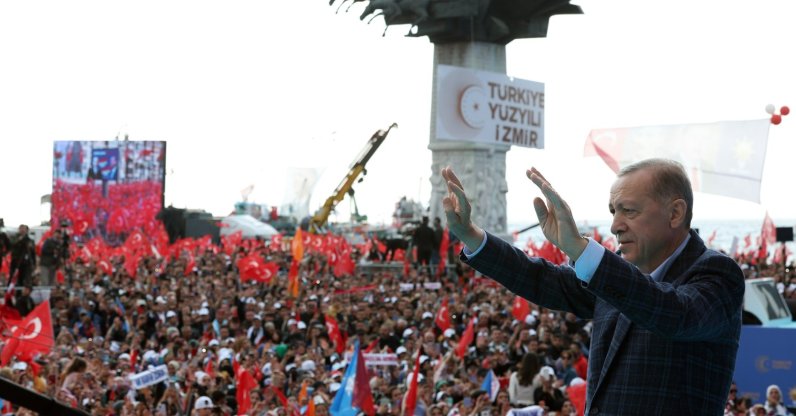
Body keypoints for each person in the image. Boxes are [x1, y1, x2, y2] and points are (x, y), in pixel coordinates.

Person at [441, 158, 745, 415]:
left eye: (629, 211)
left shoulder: (717, 274)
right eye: (614, 211)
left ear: (675, 213)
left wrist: (583, 251)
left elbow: (675, 314)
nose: (615, 225)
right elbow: (542, 278)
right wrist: (472, 236)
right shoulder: (615, 275)